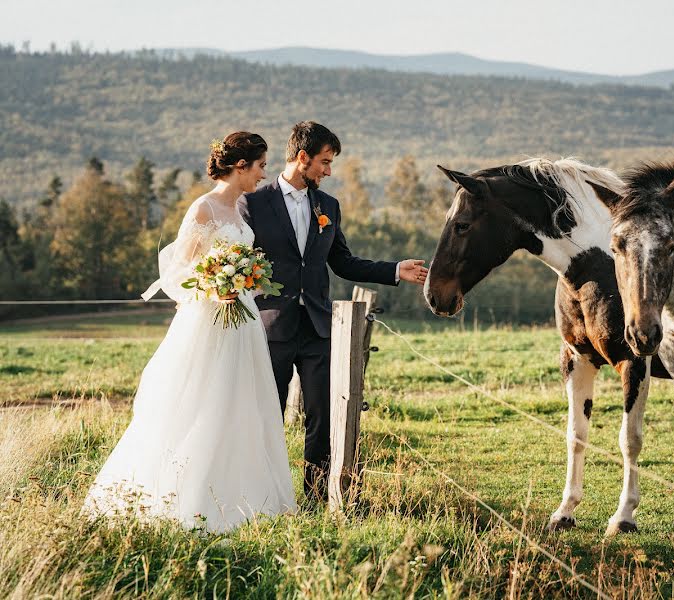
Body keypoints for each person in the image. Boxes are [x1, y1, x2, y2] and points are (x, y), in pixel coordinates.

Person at [82, 132, 298, 532]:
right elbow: (177, 273)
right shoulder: (204, 209)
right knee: (205, 404)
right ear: (240, 167)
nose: (263, 174)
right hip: (210, 323)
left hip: (243, 323)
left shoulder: (239, 210)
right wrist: (217, 290)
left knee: (242, 405)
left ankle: (248, 500)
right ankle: (191, 500)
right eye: (260, 166)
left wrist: (245, 284)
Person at [238, 121, 428, 502]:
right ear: (302, 157)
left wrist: (393, 270)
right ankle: (264, 497)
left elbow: (343, 262)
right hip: (270, 327)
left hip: (317, 329)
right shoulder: (254, 203)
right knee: (266, 418)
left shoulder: (329, 206)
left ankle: (317, 498)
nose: (328, 171)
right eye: (324, 162)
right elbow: (239, 261)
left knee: (322, 419)